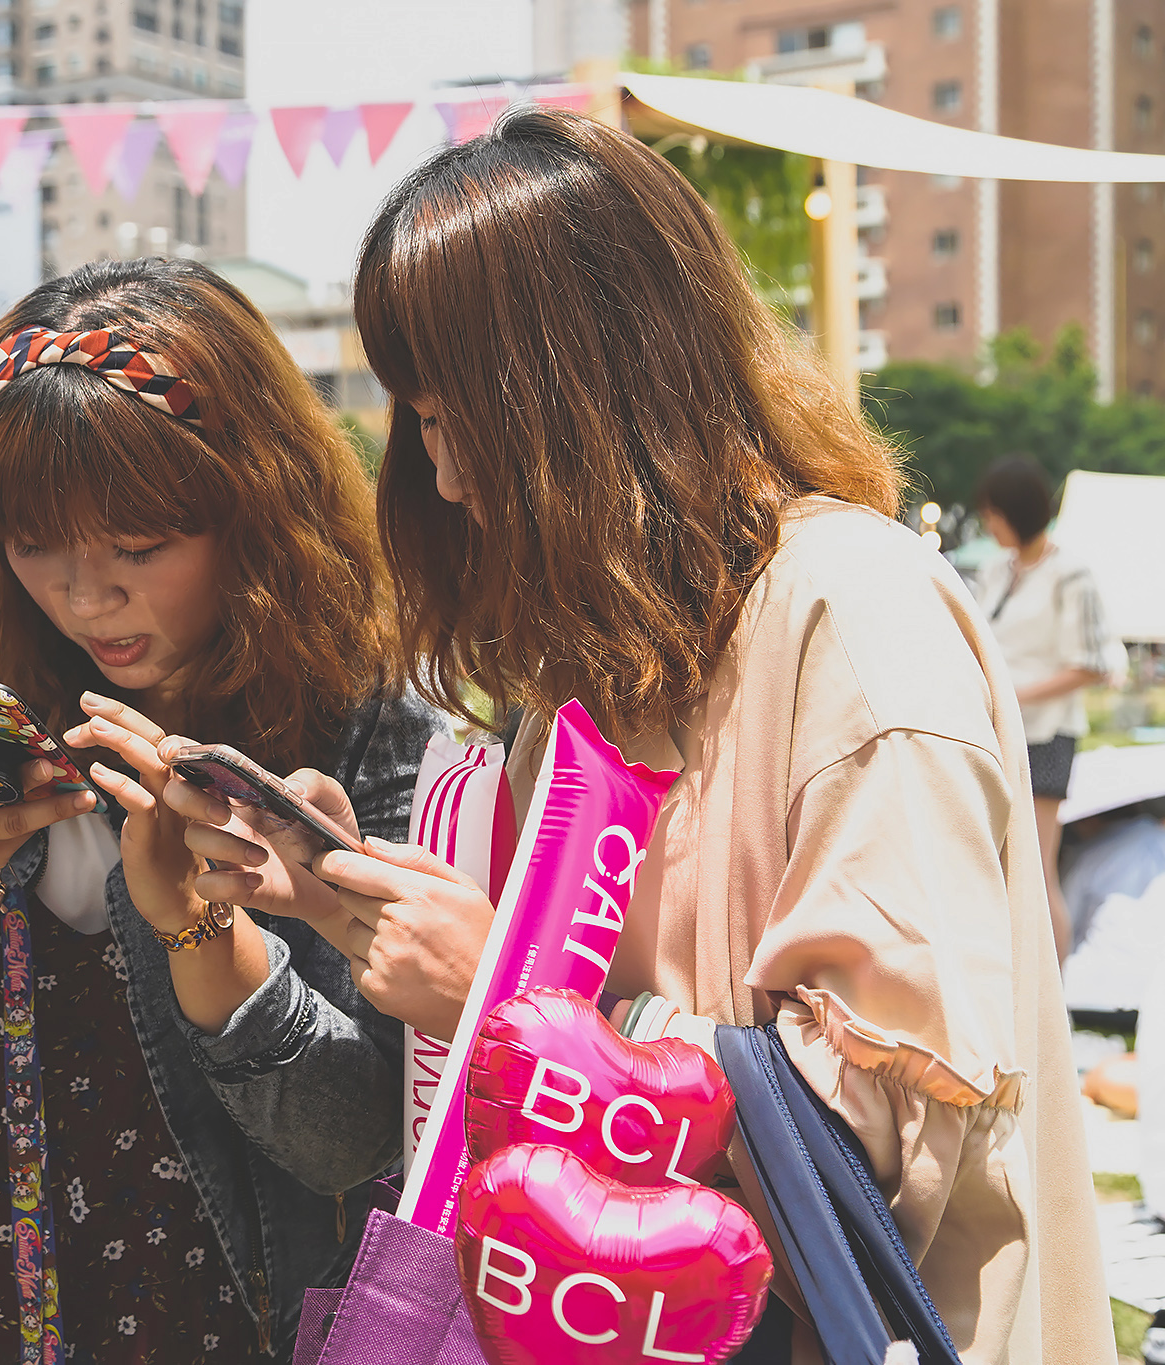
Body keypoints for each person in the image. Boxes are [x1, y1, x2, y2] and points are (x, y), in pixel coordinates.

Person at [176, 108, 1112, 1361]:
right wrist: (364, 912)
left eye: (461, 421)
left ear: (584, 396)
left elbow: (896, 1116)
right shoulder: (604, 652)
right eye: (423, 424)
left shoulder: (850, 614)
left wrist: (506, 1001)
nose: (443, 480)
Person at [0, 257, 442, 1359]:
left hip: (243, 1316)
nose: (85, 596)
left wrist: (196, 925)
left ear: (253, 506)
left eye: (136, 547)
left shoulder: (361, 718)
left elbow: (352, 1136)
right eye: (31, 544)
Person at [974, 455, 1117, 961]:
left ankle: (1054, 1002)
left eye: (994, 512)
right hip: (996, 733)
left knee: (1036, 870)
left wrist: (1015, 692)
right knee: (997, 868)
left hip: (1047, 735)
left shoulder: (1070, 574)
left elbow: (1093, 664)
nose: (988, 523)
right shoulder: (995, 570)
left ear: (1017, 511)